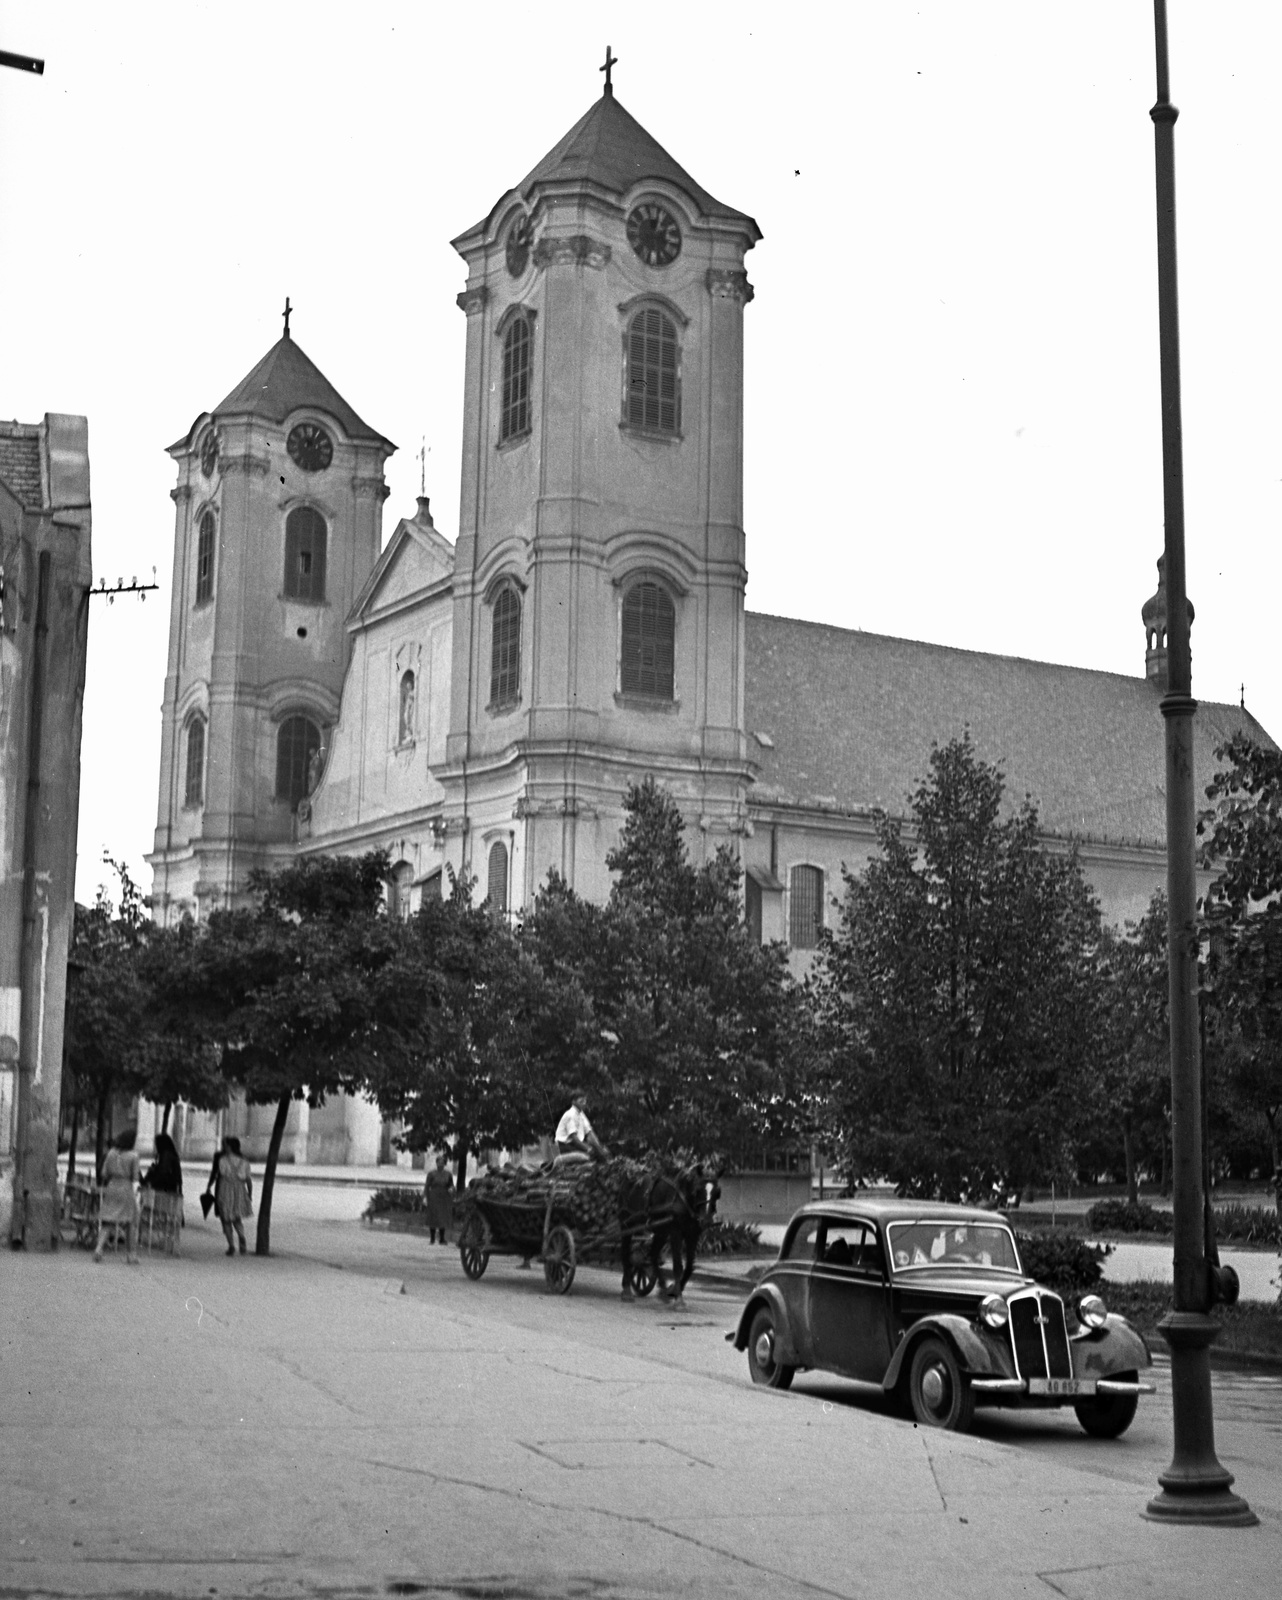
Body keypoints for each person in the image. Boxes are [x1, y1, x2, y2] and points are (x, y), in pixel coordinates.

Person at [94, 1128, 141, 1264]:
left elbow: (104, 1173)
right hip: (125, 1188)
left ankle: (98, 1249)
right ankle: (131, 1255)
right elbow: (135, 1177)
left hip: (112, 1187)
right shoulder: (133, 1156)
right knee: (130, 1221)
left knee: (108, 1220)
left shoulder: (111, 1153)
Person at [214, 1136, 253, 1255]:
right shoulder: (245, 1162)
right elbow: (248, 1180)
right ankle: (241, 1236)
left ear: (230, 1147)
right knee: (237, 1218)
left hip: (226, 1189)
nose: (224, 1147)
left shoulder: (223, 1161)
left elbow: (220, 1178)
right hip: (240, 1190)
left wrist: (218, 1195)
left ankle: (231, 1245)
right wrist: (249, 1195)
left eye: (226, 1145)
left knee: (226, 1219)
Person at [554, 1091, 608, 1162]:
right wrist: (588, 1149)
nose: (584, 1104)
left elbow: (590, 1133)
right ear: (574, 1102)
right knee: (590, 1157)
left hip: (574, 1145)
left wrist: (599, 1147)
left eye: (585, 1101)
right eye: (581, 1101)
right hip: (565, 1146)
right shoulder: (570, 1115)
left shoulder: (581, 1114)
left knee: (602, 1152)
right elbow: (574, 1139)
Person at [423, 1153, 454, 1245]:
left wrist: (452, 1188)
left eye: (442, 1163)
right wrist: (425, 1197)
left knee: (442, 1218)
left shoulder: (448, 1174)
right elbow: (427, 1186)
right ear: (436, 1163)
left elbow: (451, 1184)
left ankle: (442, 1238)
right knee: (433, 1217)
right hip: (433, 1197)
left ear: (445, 1164)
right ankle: (432, 1238)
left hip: (444, 1197)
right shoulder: (431, 1174)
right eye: (439, 1162)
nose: (440, 1164)